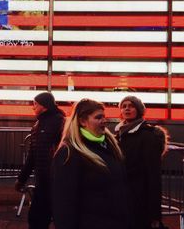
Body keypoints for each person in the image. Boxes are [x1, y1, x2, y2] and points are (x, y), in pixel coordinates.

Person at [51, 98, 130, 229]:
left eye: (104, 117)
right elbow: (64, 203)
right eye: (98, 117)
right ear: (82, 121)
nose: (104, 121)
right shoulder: (69, 153)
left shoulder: (110, 146)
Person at [114, 95, 168, 229]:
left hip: (140, 197)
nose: (127, 109)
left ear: (138, 109)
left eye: (131, 106)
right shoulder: (118, 133)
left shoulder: (148, 135)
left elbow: (153, 175)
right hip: (122, 195)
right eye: (124, 106)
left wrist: (155, 214)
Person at [15, 92, 65, 229]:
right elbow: (32, 155)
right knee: (37, 218)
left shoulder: (59, 122)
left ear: (44, 105)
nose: (33, 107)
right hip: (43, 180)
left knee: (44, 218)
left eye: (35, 104)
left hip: (55, 180)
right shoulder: (38, 124)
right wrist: (22, 178)